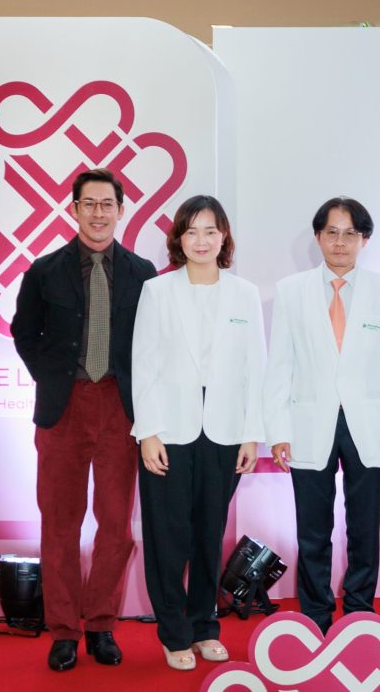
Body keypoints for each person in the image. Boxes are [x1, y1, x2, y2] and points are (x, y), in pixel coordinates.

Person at [11, 168, 157, 671]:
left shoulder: (143, 273)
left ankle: (100, 625)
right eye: (89, 204)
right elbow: (23, 332)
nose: (98, 213)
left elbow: (154, 343)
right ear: (73, 209)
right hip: (63, 409)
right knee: (60, 524)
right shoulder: (44, 271)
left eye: (107, 204)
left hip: (120, 409)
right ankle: (64, 631)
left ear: (121, 210)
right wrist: (52, 376)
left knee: (115, 526)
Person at [263, 197, 380, 636]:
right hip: (308, 423)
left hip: (371, 425)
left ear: (365, 240)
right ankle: (315, 616)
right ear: (318, 237)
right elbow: (280, 365)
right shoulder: (291, 291)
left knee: (364, 529)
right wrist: (278, 430)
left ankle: (360, 613)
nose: (340, 242)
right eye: (332, 233)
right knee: (312, 530)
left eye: (350, 234)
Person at [131, 195, 264, 671]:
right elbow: (143, 363)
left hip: (225, 431)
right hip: (169, 429)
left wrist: (251, 433)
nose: (202, 241)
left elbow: (255, 367)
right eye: (192, 231)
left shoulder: (244, 293)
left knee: (209, 534)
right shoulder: (157, 291)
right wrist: (148, 432)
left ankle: (205, 625)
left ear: (224, 237)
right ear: (179, 239)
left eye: (211, 231)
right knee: (168, 536)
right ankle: (174, 633)